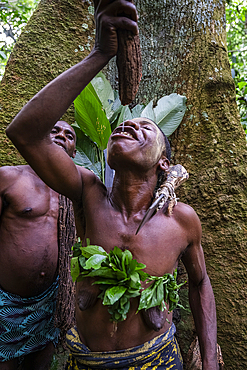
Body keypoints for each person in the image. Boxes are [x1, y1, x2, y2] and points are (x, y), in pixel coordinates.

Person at [6, 0, 219, 368]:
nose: (130, 125)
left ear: (163, 162)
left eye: (145, 127)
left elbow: (201, 284)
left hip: (156, 359)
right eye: (124, 125)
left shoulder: (182, 221)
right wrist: (100, 54)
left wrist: (211, 361)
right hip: (87, 360)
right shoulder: (89, 194)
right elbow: (24, 133)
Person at [0, 121, 76, 370]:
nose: (61, 136)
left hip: (50, 303)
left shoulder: (77, 191)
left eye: (69, 135)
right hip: (6, 303)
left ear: (74, 151)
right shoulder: (9, 178)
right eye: (54, 130)